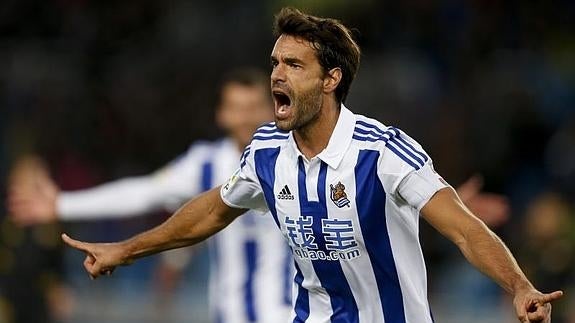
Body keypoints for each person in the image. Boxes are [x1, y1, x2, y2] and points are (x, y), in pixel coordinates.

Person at [22, 7, 564, 323]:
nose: (277, 74)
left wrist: (517, 286)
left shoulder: (382, 151)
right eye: (275, 62)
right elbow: (209, 213)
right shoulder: (265, 153)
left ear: (331, 80)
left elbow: (466, 231)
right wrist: (128, 248)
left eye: (294, 65)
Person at [8, 68, 294, 323]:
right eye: (237, 107)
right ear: (222, 114)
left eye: (254, 107)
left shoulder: (294, 158)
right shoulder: (205, 164)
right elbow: (143, 192)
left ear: (270, 109)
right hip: (228, 314)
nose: (245, 117)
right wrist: (62, 204)